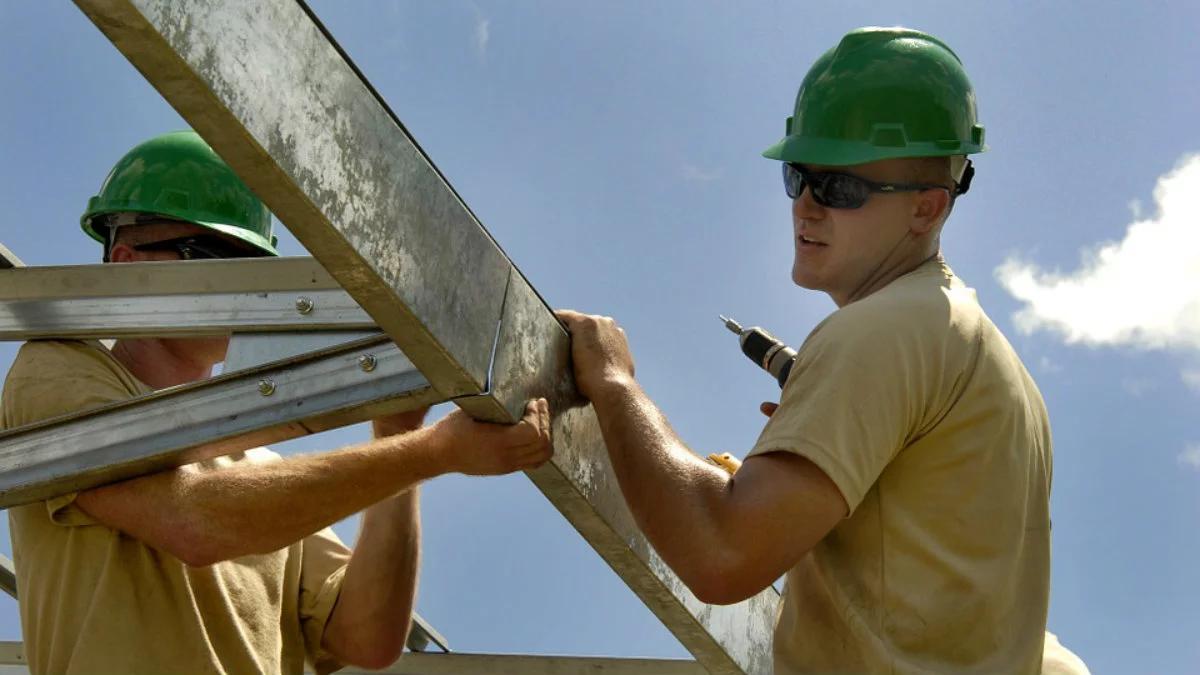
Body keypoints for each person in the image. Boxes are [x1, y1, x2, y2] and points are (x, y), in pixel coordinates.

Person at [558, 27, 1085, 673]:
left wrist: (614, 384)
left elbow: (722, 555)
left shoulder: (884, 329)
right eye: (798, 177)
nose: (806, 207)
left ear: (927, 209)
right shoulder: (985, 360)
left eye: (840, 188)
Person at [2, 130, 554, 675]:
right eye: (211, 255)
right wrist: (431, 453)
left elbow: (366, 637)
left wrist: (397, 435)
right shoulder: (60, 369)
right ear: (127, 263)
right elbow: (192, 521)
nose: (241, 285)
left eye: (252, 263)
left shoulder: (260, 469)